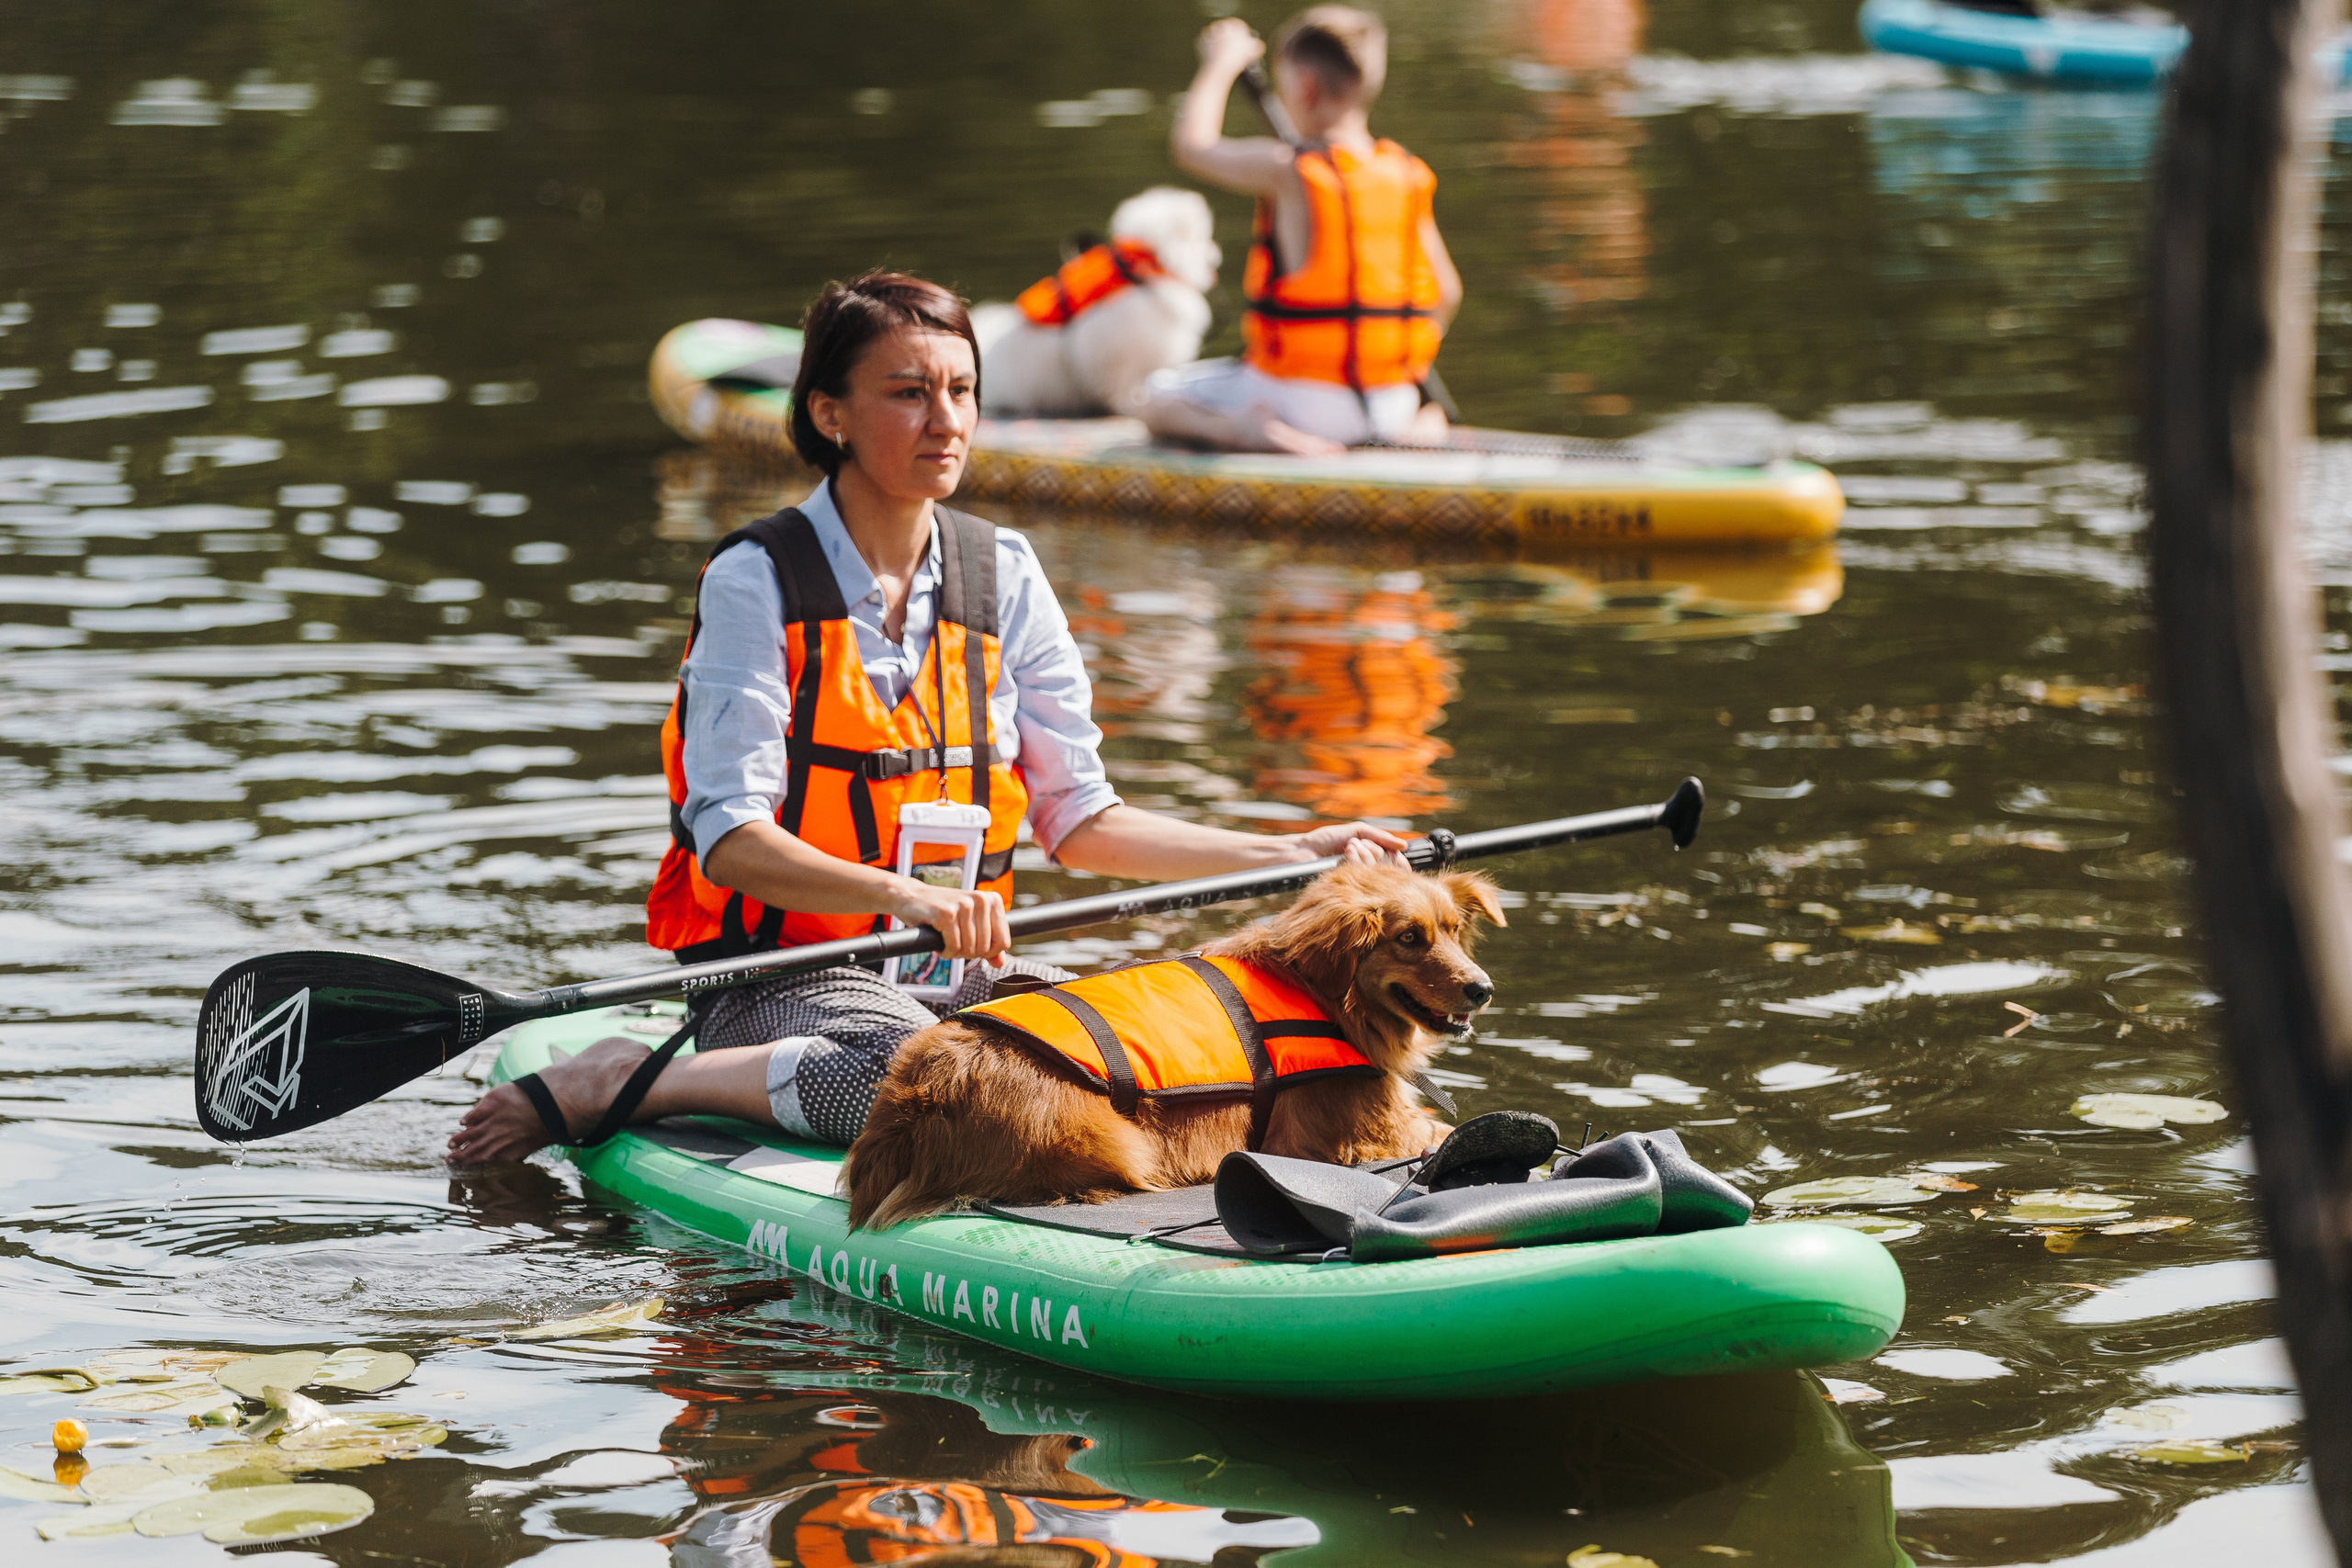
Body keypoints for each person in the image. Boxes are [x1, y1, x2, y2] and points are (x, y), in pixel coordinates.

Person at [447, 271, 1407, 1168]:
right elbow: (727, 841)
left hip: (944, 980)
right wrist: (907, 897)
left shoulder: (1006, 572)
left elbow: (1081, 820)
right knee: (924, 1082)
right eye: (909, 393)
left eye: (961, 390)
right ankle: (630, 1080)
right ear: (829, 413)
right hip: (775, 974)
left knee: (1140, 1056)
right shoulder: (757, 578)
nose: (945, 420)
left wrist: (1293, 852)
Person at [1138, 7, 1464, 457]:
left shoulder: (1288, 170)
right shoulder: (1407, 174)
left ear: (1305, 87)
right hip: (1393, 400)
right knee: (1389, 397)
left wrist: (1222, 62)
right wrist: (1393, 357)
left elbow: (1191, 146)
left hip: (1300, 405)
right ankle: (1421, 422)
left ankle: (1248, 430)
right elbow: (1447, 293)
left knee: (1153, 397)